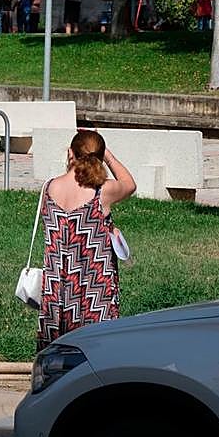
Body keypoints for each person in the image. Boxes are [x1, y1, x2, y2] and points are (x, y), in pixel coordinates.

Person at [37, 131, 136, 351]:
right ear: (99, 157)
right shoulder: (102, 192)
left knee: (56, 356)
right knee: (97, 352)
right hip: (94, 291)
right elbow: (129, 184)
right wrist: (107, 155)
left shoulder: (49, 187)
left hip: (57, 291)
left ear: (70, 153)